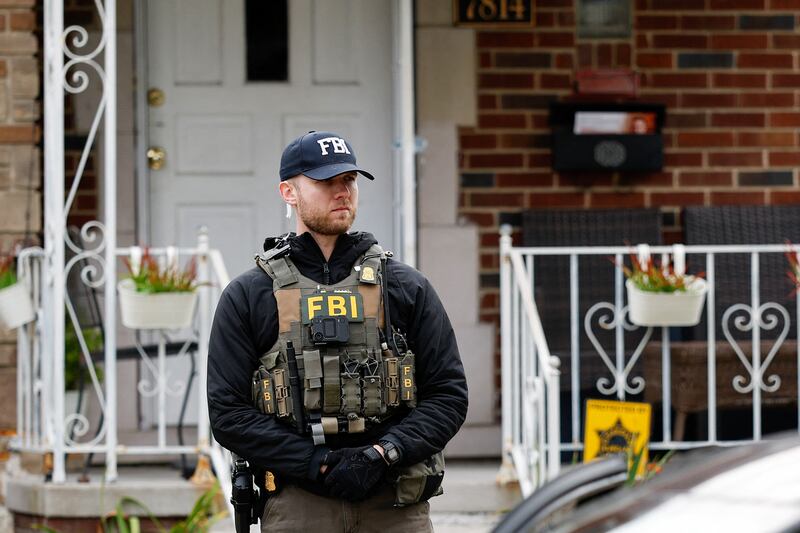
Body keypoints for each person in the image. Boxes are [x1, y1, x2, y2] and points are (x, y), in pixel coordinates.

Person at [207, 131, 469, 532]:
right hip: (299, 501)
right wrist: (316, 463)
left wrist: (383, 453)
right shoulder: (251, 293)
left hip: (393, 500)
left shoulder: (403, 286)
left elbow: (448, 395)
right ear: (288, 192)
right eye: (325, 182)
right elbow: (228, 413)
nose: (342, 191)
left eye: (348, 180)